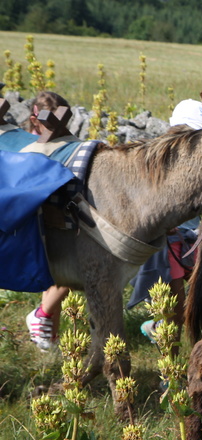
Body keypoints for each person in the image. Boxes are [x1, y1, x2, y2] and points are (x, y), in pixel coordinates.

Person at [23, 91, 74, 351]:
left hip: (54, 215)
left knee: (56, 275)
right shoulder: (31, 145)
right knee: (66, 272)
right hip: (41, 219)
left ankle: (48, 336)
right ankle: (42, 316)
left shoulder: (60, 144)